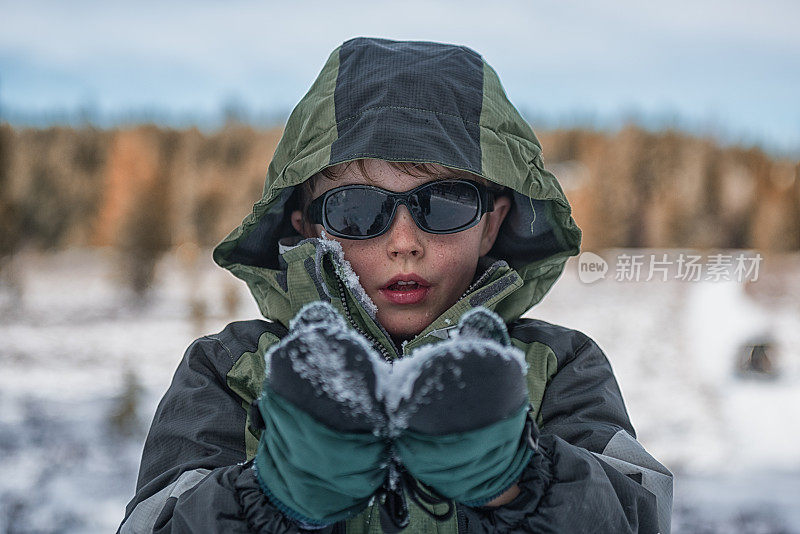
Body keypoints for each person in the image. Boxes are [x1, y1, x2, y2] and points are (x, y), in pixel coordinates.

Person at [119, 37, 672, 533]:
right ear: (308, 227)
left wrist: (519, 480)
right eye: (357, 209)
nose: (404, 241)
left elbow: (637, 512)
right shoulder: (230, 371)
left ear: (492, 224)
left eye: (446, 202)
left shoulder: (557, 366)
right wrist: (271, 498)